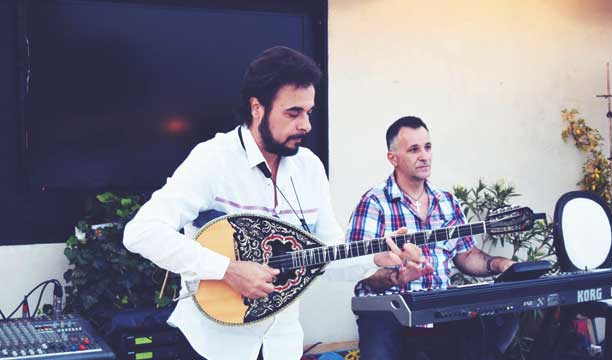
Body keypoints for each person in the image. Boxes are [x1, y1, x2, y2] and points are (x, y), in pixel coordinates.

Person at [123, 46, 420, 360]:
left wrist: (377, 258)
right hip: (213, 345)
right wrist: (227, 269)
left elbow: (327, 256)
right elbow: (142, 232)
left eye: (309, 112)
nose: (306, 125)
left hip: (282, 346)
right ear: (257, 107)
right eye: (293, 113)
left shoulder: (310, 168)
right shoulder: (213, 158)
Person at [346, 116, 517, 360]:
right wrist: (398, 276)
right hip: (389, 316)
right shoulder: (374, 203)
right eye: (414, 149)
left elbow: (466, 255)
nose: (424, 155)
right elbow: (359, 269)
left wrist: (501, 265)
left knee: (487, 338)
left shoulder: (447, 201)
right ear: (392, 158)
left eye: (427, 147)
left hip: (441, 315)